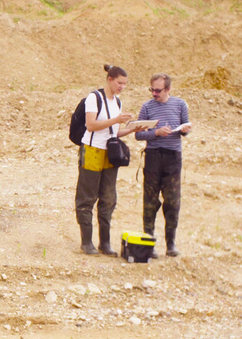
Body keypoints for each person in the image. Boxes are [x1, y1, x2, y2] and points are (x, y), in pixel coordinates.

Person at [75, 64, 148, 256]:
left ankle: (105, 243)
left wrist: (132, 129)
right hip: (92, 151)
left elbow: (113, 132)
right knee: (87, 197)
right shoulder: (94, 98)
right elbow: (91, 125)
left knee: (108, 198)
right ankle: (86, 242)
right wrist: (116, 119)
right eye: (119, 82)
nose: (122, 86)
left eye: (125, 84)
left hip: (109, 152)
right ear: (110, 79)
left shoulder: (117, 102)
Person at [134, 73, 191, 257]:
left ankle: (171, 244)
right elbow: (138, 134)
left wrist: (184, 130)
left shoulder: (180, 105)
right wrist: (156, 132)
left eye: (158, 90)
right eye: (152, 89)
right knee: (150, 201)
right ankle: (148, 244)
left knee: (173, 201)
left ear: (168, 89)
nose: (154, 94)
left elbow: (185, 129)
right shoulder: (146, 107)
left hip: (173, 158)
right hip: (153, 157)